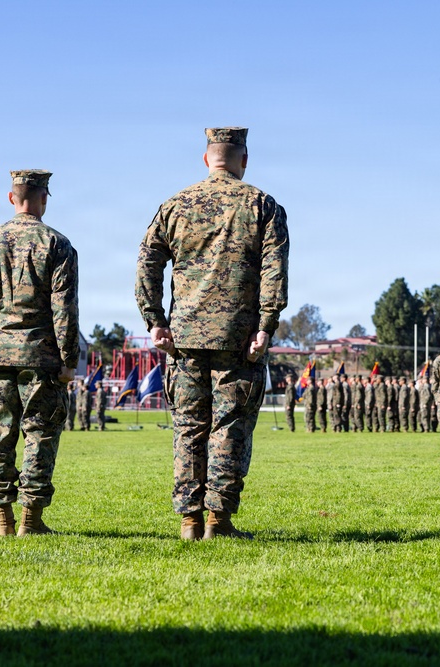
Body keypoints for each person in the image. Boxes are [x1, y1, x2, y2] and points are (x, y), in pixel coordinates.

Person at [136, 127, 289, 541]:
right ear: (244, 158)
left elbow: (147, 262)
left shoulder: (175, 205)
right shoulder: (262, 205)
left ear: (207, 159)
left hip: (184, 340)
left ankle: (189, 522)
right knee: (230, 426)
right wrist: (265, 326)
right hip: (238, 339)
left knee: (189, 428)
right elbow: (274, 272)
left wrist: (154, 320)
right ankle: (218, 522)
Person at [0, 168, 79, 537]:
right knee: (40, 435)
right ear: (43, 198)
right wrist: (68, 359)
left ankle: (2, 521)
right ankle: (31, 520)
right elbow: (65, 310)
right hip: (40, 357)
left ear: (12, 198)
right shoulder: (57, 244)